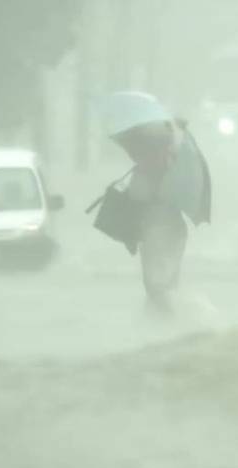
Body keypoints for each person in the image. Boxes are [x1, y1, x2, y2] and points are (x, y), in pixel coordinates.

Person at [100, 92, 211, 310]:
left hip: (156, 228)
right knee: (166, 283)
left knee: (156, 285)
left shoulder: (156, 169)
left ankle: (163, 318)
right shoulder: (177, 163)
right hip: (170, 227)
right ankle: (167, 319)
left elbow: (138, 196)